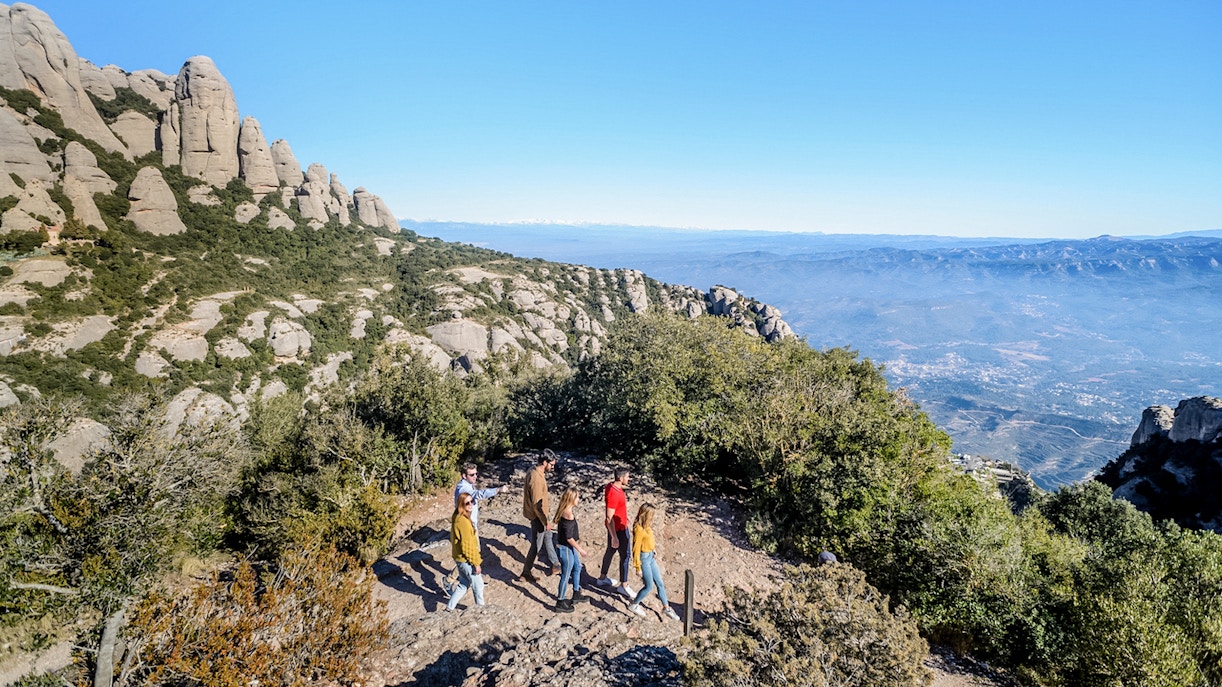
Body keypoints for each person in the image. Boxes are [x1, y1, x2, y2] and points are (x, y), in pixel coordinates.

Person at [626, 503, 680, 620]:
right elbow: (635, 549)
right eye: (652, 515)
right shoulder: (639, 529)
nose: (653, 518)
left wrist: (653, 549)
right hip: (644, 559)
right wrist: (637, 567)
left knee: (660, 583)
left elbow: (650, 539)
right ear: (646, 515)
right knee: (649, 586)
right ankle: (634, 604)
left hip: (650, 556)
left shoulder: (647, 526)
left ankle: (666, 608)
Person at [520, 451, 560, 582]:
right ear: (544, 462)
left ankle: (555, 564)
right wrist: (545, 521)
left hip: (539, 515)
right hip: (538, 517)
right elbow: (537, 504)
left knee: (547, 538)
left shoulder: (533, 471)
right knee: (536, 545)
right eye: (552, 464)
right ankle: (526, 572)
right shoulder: (536, 478)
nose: (553, 467)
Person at [595, 467, 634, 597]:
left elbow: (617, 508)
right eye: (627, 477)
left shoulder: (611, 486)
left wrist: (624, 515)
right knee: (625, 555)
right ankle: (624, 585)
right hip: (618, 530)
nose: (628, 479)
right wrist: (614, 536)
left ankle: (602, 578)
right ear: (620, 478)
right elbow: (609, 517)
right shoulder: (614, 493)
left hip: (619, 525)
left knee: (610, 551)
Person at [553, 487, 591, 613]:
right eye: (577, 497)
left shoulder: (565, 511)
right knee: (565, 575)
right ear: (571, 498)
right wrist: (581, 550)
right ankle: (560, 601)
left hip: (569, 548)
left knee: (577, 567)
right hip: (566, 549)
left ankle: (576, 593)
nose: (579, 499)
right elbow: (569, 538)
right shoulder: (568, 515)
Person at [445, 493, 485, 611]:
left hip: (459, 559)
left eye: (471, 501)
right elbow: (467, 546)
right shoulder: (462, 521)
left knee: (463, 584)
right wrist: (476, 563)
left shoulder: (458, 517)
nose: (471, 504)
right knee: (478, 585)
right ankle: (481, 611)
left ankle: (449, 608)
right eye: (467, 503)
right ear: (461, 505)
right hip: (466, 560)